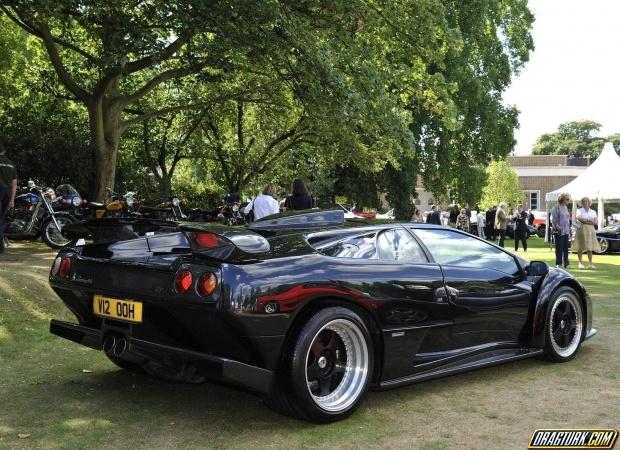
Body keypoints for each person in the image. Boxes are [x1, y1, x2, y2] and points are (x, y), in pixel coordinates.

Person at [574, 197, 601, 269]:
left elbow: (595, 222)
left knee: (590, 247)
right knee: (580, 246)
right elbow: (580, 219)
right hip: (581, 230)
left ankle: (590, 264)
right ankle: (580, 263)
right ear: (581, 203)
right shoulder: (579, 210)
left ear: (589, 202)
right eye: (583, 201)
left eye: (586, 201)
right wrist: (590, 220)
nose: (585, 203)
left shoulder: (593, 211)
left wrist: (586, 220)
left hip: (590, 230)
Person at [0, 143, 17, 255]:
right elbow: (14, 184)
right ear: (4, 151)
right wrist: (12, 199)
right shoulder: (11, 164)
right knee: (1, 219)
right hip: (7, 192)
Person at [550, 193, 571, 268]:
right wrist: (557, 226)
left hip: (566, 230)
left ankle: (566, 263)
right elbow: (553, 218)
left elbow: (567, 218)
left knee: (566, 247)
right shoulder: (556, 207)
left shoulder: (565, 207)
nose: (568, 200)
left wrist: (569, 227)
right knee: (559, 247)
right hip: (559, 230)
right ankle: (559, 263)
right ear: (562, 199)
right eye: (567, 199)